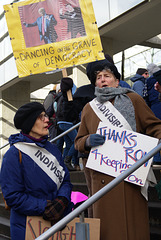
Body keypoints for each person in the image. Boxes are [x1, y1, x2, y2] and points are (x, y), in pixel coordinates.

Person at [74, 60, 161, 240]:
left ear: (116, 79)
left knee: (132, 228)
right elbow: (78, 142)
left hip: (131, 176)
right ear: (95, 82)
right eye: (99, 77)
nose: (103, 80)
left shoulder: (134, 99)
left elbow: (154, 127)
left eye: (107, 76)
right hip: (103, 179)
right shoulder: (89, 108)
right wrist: (88, 140)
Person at [0, 102, 73, 240]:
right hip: (26, 227)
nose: (47, 120)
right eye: (41, 117)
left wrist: (62, 199)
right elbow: (12, 196)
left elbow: (66, 181)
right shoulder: (13, 154)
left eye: (46, 115)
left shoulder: (53, 149)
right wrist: (45, 206)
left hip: (57, 224)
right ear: (29, 123)